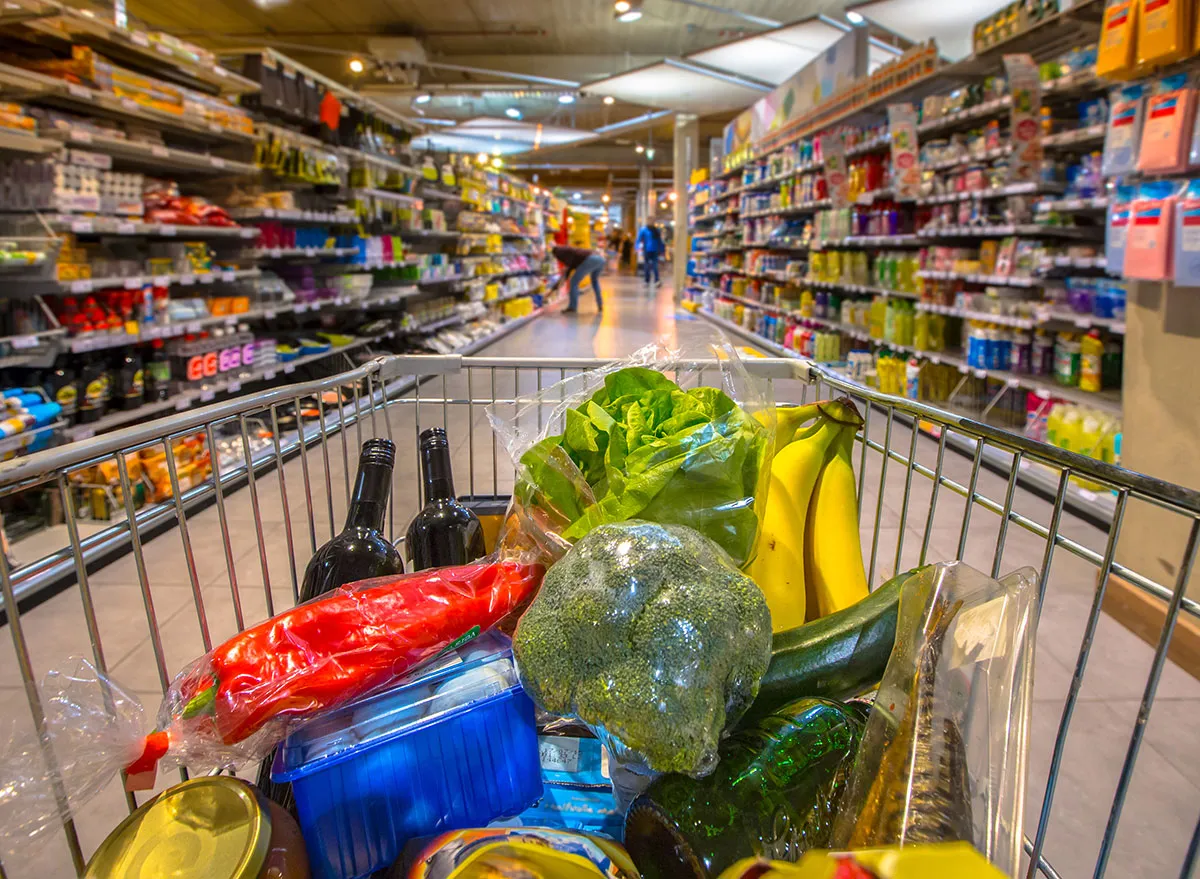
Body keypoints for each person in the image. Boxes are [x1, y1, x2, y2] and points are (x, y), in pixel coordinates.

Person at [551, 243, 605, 313]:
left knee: (573, 282)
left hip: (590, 259)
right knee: (595, 281)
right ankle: (600, 304)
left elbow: (568, 269)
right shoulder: (570, 252)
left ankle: (572, 307)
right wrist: (556, 286)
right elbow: (568, 271)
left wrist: (557, 285)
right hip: (601, 259)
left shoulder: (559, 253)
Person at [636, 222, 664, 287]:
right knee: (655, 265)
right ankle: (656, 280)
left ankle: (647, 281)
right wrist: (661, 250)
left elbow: (639, 239)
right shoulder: (656, 230)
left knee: (647, 265)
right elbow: (660, 241)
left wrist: (637, 247)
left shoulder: (644, 230)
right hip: (655, 250)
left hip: (647, 250)